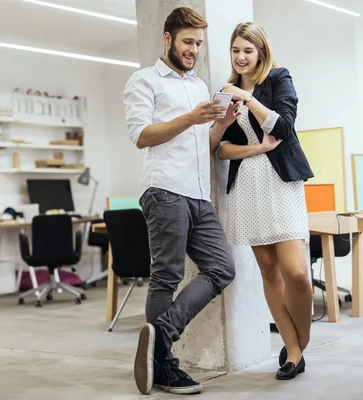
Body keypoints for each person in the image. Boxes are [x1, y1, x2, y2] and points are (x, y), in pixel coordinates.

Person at [123, 7, 239, 396]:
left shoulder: (198, 86)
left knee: (222, 268)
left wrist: (220, 124)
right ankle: (165, 364)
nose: (194, 50)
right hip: (164, 189)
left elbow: (203, 144)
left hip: (198, 194)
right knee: (167, 276)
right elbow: (141, 135)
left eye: (199, 44)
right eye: (188, 42)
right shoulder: (144, 80)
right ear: (168, 38)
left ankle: (157, 337)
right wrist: (191, 118)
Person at [215, 22, 314, 380]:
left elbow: (284, 128)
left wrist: (249, 98)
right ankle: (292, 350)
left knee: (297, 273)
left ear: (261, 52)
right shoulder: (225, 92)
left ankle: (300, 342)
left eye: (247, 51)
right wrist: (255, 147)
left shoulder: (278, 79)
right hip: (247, 187)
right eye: (235, 50)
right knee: (269, 271)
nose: (240, 57)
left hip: (281, 183)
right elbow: (221, 149)